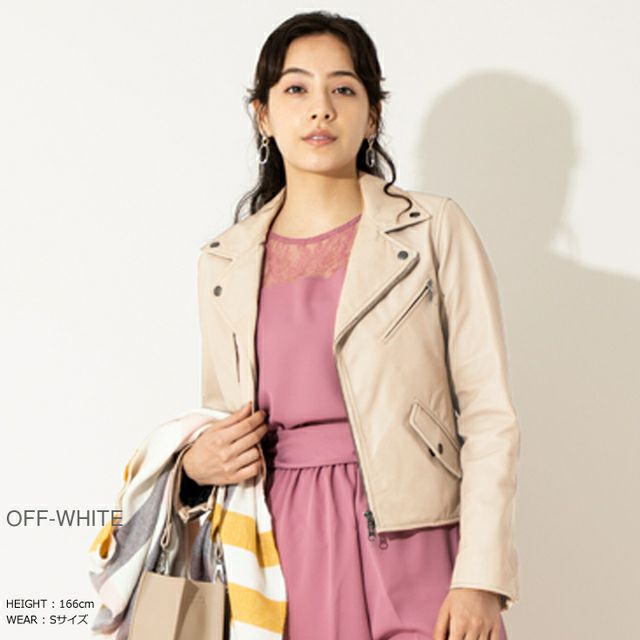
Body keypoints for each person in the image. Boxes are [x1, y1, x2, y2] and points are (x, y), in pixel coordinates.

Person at [180, 10, 520, 640]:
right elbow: (221, 418)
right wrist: (194, 464)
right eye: (296, 88)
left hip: (418, 537)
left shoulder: (432, 229)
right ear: (262, 114)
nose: (321, 109)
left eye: (343, 88)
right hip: (278, 551)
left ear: (372, 114)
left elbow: (488, 413)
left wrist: (480, 575)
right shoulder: (223, 261)